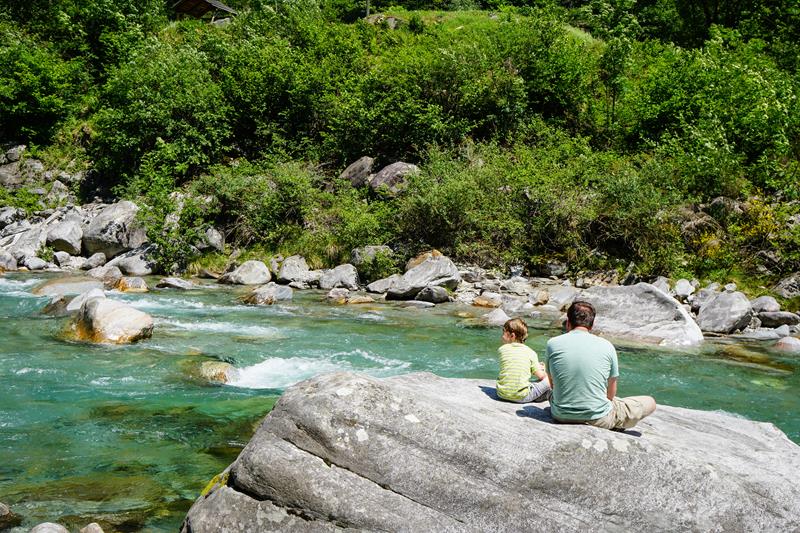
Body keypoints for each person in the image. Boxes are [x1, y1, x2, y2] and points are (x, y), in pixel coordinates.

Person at [544, 301, 656, 430]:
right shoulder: (607, 345)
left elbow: (552, 385)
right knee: (650, 402)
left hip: (560, 415)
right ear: (591, 325)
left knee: (550, 393)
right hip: (599, 417)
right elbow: (611, 395)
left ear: (568, 322)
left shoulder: (552, 344)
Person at [496, 318, 551, 403]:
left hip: (501, 394)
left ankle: (540, 395)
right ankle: (547, 395)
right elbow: (541, 376)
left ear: (512, 335)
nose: (502, 336)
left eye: (503, 332)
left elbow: (515, 364)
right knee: (549, 380)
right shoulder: (530, 352)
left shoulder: (502, 350)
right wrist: (543, 370)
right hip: (521, 397)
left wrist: (533, 367)